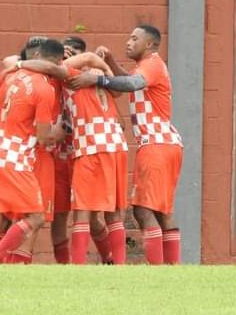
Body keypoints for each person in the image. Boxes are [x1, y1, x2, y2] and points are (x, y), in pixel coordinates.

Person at [69, 25, 183, 265]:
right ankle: (172, 270)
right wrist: (110, 61)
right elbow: (129, 79)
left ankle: (158, 270)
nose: (128, 42)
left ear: (150, 44)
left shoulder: (151, 64)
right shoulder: (148, 65)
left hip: (155, 143)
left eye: (134, 38)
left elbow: (132, 85)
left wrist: (98, 77)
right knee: (162, 211)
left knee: (143, 210)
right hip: (166, 143)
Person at [21, 36, 128, 265]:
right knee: (109, 212)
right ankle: (116, 264)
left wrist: (20, 65)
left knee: (84, 211)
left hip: (91, 146)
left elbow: (85, 58)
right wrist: (105, 71)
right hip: (112, 144)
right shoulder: (97, 78)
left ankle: (80, 266)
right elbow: (117, 91)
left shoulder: (70, 73)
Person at [0, 38, 64, 264]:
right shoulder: (45, 89)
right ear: (55, 62)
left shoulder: (13, 76)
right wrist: (60, 132)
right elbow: (44, 137)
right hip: (17, 157)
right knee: (35, 218)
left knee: (1, 213)